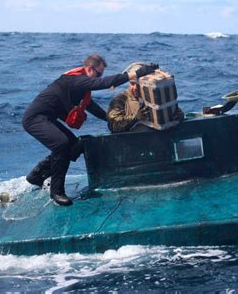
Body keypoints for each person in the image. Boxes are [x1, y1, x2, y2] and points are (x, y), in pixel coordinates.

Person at [22, 55, 158, 206]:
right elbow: (105, 83)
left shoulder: (81, 88)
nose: (99, 77)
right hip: (35, 118)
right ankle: (57, 192)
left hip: (47, 118)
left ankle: (37, 176)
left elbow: (91, 106)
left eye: (101, 74)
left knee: (75, 144)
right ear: (88, 68)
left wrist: (109, 119)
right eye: (98, 74)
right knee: (62, 144)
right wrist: (138, 73)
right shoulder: (76, 80)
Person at [107, 78, 184, 133]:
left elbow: (178, 114)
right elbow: (113, 125)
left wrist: (177, 116)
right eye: (132, 84)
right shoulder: (120, 100)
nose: (135, 88)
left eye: (138, 85)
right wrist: (135, 118)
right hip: (132, 145)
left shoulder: (158, 98)